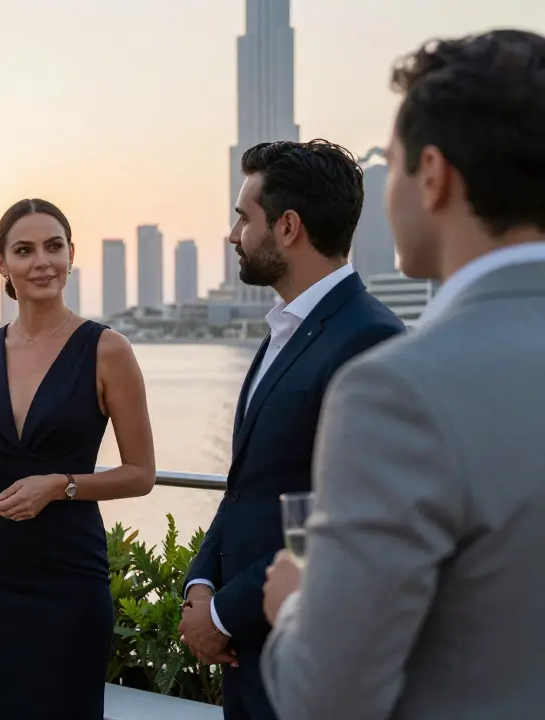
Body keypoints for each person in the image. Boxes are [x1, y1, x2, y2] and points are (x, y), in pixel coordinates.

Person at [260, 29, 545, 720]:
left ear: (435, 176)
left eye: (389, 161)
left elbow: (325, 698)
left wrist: (296, 603)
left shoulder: (400, 390)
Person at [177, 139, 406, 719]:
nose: (232, 234)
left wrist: (226, 614)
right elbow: (246, 485)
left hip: (309, 667)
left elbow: (344, 518)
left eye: (242, 217)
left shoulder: (368, 339)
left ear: (288, 228)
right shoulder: (281, 333)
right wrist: (201, 586)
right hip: (251, 661)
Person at [0, 198, 157, 719]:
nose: (41, 262)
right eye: (24, 250)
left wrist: (60, 485)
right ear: (2, 264)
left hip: (67, 574)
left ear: (70, 256)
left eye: (53, 247)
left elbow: (141, 474)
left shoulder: (108, 350)